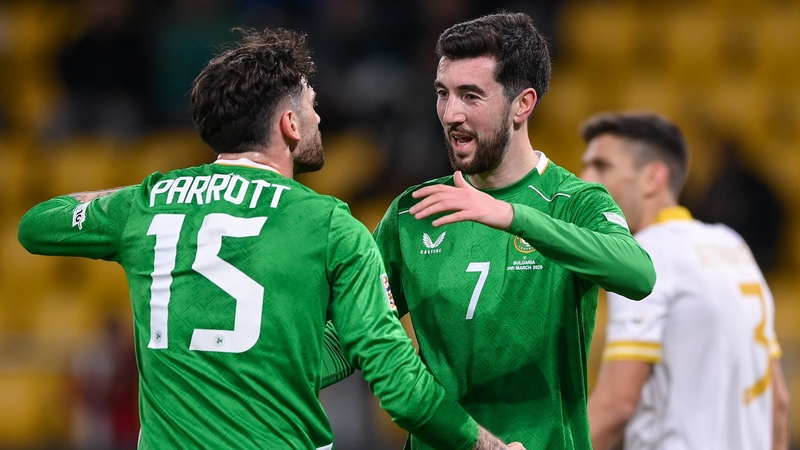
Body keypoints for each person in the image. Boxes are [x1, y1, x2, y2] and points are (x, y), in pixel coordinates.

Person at [18, 28, 520, 450]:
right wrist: (482, 443)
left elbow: (38, 224)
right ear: (288, 125)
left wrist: (161, 193)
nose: (319, 118)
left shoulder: (150, 202)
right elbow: (401, 389)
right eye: (312, 106)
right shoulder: (330, 224)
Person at [323, 12, 656, 449]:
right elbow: (351, 335)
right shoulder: (413, 212)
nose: (451, 114)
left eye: (471, 95)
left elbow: (638, 275)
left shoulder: (573, 203)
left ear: (523, 104)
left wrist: (513, 216)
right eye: (443, 93)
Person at [579, 111, 791, 450]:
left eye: (602, 166)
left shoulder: (648, 255)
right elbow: (778, 403)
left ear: (652, 178)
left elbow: (616, 406)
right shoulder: (732, 246)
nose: (585, 179)